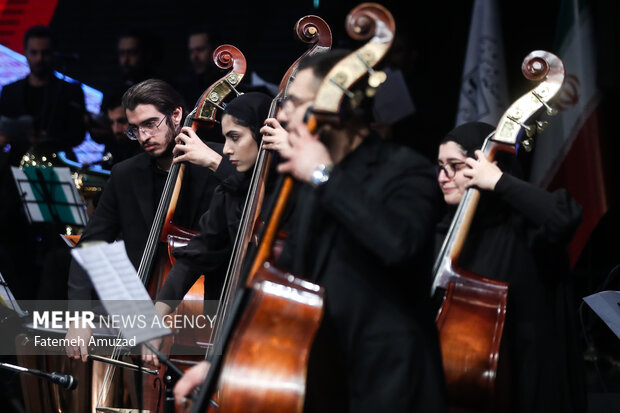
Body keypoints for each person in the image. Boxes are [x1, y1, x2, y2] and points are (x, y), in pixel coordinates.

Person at [173, 49, 447, 412]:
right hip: (317, 378)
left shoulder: (406, 170)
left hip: (389, 383)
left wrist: (323, 175)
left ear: (339, 106)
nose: (284, 115)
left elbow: (398, 245)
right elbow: (278, 286)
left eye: (296, 103)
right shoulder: (304, 181)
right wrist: (221, 364)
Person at [65, 78, 236, 360]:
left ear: (177, 115)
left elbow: (258, 199)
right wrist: (79, 317)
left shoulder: (219, 160)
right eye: (135, 129)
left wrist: (216, 164)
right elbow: (90, 247)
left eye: (150, 124)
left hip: (206, 310)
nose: (143, 136)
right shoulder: (125, 174)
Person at [435, 121, 587, 412]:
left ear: (484, 164)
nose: (444, 177)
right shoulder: (444, 232)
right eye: (440, 166)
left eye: (454, 165)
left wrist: (499, 181)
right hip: (477, 385)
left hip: (532, 379)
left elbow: (566, 216)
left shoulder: (524, 227)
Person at [142, 91, 283, 366]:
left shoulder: (289, 187)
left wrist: (214, 163)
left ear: (263, 133)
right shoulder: (228, 191)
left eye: (235, 137)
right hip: (227, 325)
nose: (227, 149)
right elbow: (197, 253)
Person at [0, 25, 86, 164]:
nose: (39, 58)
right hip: (16, 165)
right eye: (34, 53)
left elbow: (78, 135)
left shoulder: (70, 91)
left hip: (58, 164)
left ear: (53, 53)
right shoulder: (10, 91)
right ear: (25, 53)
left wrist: (51, 138)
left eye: (45, 53)